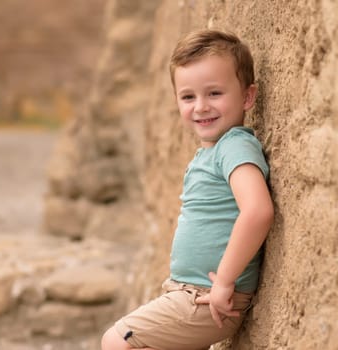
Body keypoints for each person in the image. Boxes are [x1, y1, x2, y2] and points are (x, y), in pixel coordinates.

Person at [101, 29, 274, 350]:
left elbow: (258, 211)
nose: (201, 106)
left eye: (214, 93)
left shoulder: (234, 146)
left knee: (117, 340)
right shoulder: (209, 152)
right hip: (188, 291)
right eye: (188, 97)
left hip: (210, 296)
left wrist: (224, 281)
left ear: (248, 97)